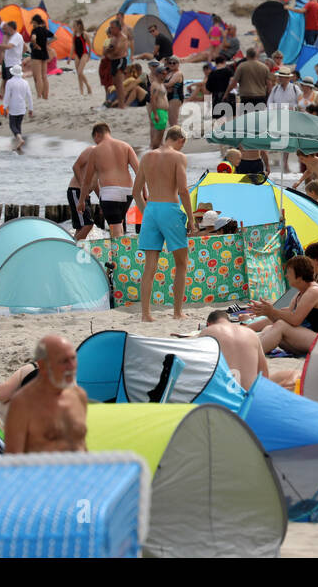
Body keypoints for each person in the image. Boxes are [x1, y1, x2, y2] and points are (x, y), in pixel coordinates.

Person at [134, 127, 196, 322]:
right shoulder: (178, 157)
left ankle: (146, 314)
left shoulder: (146, 157)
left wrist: (147, 213)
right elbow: (184, 190)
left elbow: (136, 192)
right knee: (181, 262)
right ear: (180, 140)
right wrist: (191, 219)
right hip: (169, 208)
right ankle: (177, 312)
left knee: (150, 266)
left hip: (151, 209)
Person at [3, 335, 88, 453]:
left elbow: (82, 445)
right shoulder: (23, 403)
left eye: (73, 358)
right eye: (64, 361)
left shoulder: (79, 395)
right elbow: (13, 459)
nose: (71, 367)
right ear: (42, 365)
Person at [246, 256, 318, 354]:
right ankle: (247, 347)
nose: (286, 276)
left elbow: (295, 320)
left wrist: (272, 311)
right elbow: (284, 317)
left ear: (300, 275)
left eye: (289, 272)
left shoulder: (313, 291)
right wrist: (267, 312)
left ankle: (251, 354)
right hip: (312, 337)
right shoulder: (300, 293)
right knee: (270, 328)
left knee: (280, 326)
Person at [78, 123, 140, 237]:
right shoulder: (126, 146)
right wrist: (144, 191)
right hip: (128, 191)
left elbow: (87, 181)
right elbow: (139, 171)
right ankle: (123, 251)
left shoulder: (95, 151)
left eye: (95, 140)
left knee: (115, 228)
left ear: (97, 135)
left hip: (109, 193)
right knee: (119, 223)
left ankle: (118, 253)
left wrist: (81, 201)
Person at [200, 312, 269, 391]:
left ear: (208, 324)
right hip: (249, 395)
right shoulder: (251, 333)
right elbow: (264, 374)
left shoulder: (208, 332)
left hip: (225, 395)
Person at [1, 65, 35, 152]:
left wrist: (4, 108)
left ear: (12, 73)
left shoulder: (9, 82)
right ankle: (19, 144)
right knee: (18, 125)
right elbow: (29, 96)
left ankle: (20, 140)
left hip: (13, 107)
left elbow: (7, 96)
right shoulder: (25, 82)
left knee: (12, 125)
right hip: (22, 107)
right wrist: (31, 108)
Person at [27, 14, 54, 100]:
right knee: (44, 76)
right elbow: (55, 37)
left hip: (36, 55)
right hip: (44, 53)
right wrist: (46, 44)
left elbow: (33, 38)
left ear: (35, 22)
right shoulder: (44, 30)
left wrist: (35, 45)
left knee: (37, 77)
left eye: (33, 23)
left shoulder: (34, 30)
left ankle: (39, 95)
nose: (32, 24)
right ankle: (45, 96)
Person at [104, 21, 130, 108]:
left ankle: (122, 105)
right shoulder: (113, 38)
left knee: (119, 83)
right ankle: (120, 102)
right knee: (115, 83)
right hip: (114, 61)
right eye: (110, 27)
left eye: (112, 28)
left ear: (118, 29)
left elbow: (116, 51)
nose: (110, 29)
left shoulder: (122, 38)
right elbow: (107, 51)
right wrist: (109, 50)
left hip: (120, 60)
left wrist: (109, 50)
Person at [72, 19, 92, 95]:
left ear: (79, 25)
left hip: (84, 54)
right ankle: (81, 91)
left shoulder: (84, 34)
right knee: (78, 73)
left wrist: (89, 55)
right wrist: (70, 57)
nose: (73, 27)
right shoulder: (74, 34)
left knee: (80, 72)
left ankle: (88, 86)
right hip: (77, 55)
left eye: (74, 26)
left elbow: (90, 45)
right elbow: (73, 46)